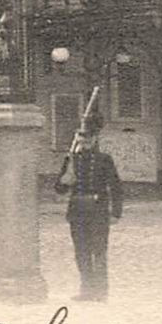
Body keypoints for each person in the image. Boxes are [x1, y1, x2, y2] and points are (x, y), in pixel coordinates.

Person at [56, 108, 123, 301]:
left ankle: (101, 292)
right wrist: (64, 180)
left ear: (94, 140)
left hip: (98, 210)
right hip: (77, 210)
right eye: (81, 140)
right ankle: (86, 290)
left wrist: (116, 213)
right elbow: (59, 189)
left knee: (99, 251)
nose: (84, 143)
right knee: (81, 252)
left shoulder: (104, 160)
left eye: (87, 139)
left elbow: (116, 187)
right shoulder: (71, 160)